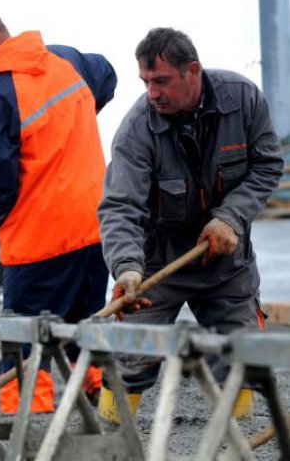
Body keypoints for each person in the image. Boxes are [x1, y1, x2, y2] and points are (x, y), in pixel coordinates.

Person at [97, 27, 284, 422]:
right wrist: (127, 268)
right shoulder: (136, 131)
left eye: (161, 80)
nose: (152, 93)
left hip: (225, 259)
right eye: (146, 82)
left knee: (242, 357)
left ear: (193, 71)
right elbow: (120, 206)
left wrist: (230, 218)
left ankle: (236, 445)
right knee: (128, 357)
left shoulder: (243, 100)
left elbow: (267, 164)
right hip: (158, 261)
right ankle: (108, 440)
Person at [0, 6, 117, 414]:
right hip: (93, 231)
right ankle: (103, 401)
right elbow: (108, 74)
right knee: (84, 321)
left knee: (23, 337)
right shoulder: (65, 60)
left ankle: (30, 417)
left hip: (39, 242)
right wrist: (75, 125)